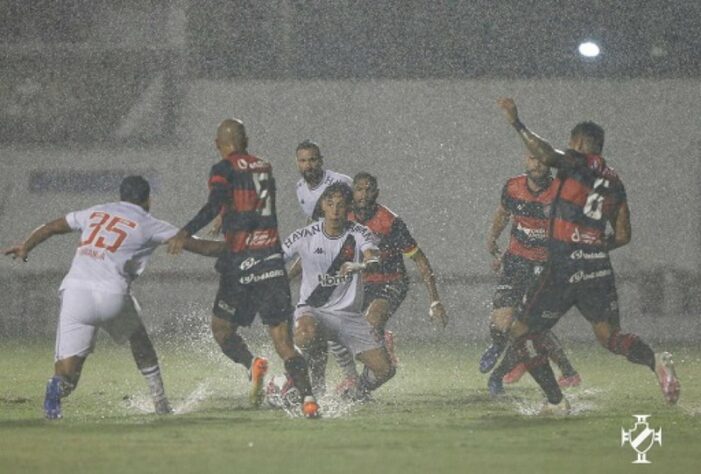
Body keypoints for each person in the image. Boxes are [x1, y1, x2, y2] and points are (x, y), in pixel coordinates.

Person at [496, 98, 680, 411]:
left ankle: (555, 401)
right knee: (610, 336)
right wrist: (591, 243)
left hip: (565, 265)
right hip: (597, 266)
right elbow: (623, 235)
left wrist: (517, 123)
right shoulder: (615, 181)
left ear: (579, 142)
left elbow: (543, 153)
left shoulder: (577, 161)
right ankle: (656, 361)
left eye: (571, 143)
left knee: (521, 330)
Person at [2, 176, 225, 419]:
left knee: (67, 376)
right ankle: (161, 404)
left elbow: (51, 227)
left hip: (77, 295)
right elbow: (202, 247)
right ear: (148, 200)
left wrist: (26, 246)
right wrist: (244, 246)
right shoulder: (149, 223)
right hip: (113, 295)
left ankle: (57, 388)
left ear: (121, 196)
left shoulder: (96, 212)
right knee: (140, 344)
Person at [167, 119, 319, 418]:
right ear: (246, 139)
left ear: (217, 143)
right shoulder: (264, 166)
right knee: (284, 342)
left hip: (241, 263)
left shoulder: (223, 169)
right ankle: (309, 399)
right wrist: (227, 214)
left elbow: (214, 203)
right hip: (271, 261)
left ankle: (251, 364)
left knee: (222, 330)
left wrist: (185, 232)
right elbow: (251, 201)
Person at [282, 182, 395, 401]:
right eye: (330, 203)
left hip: (349, 317)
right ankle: (298, 385)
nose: (335, 210)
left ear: (348, 208)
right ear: (322, 206)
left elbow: (373, 257)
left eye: (341, 205)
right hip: (314, 311)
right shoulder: (305, 235)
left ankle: (354, 392)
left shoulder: (360, 232)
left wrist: (359, 265)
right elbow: (276, 259)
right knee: (307, 335)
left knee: (385, 370)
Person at [479, 156, 580, 395]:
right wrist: (493, 237)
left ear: (550, 164)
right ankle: (500, 347)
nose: (538, 164)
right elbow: (503, 213)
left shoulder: (560, 192)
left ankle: (498, 375)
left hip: (545, 265)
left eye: (543, 160)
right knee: (500, 322)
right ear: (526, 160)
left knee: (528, 326)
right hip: (515, 260)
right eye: (533, 159)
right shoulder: (513, 186)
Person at [349, 172, 448, 367]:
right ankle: (359, 371)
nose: (363, 194)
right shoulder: (345, 217)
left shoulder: (390, 222)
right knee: (341, 329)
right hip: (362, 283)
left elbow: (419, 259)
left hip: (392, 282)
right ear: (352, 192)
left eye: (368, 190)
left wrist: (435, 300)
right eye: (359, 189)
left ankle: (369, 378)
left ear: (376, 193)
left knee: (372, 321)